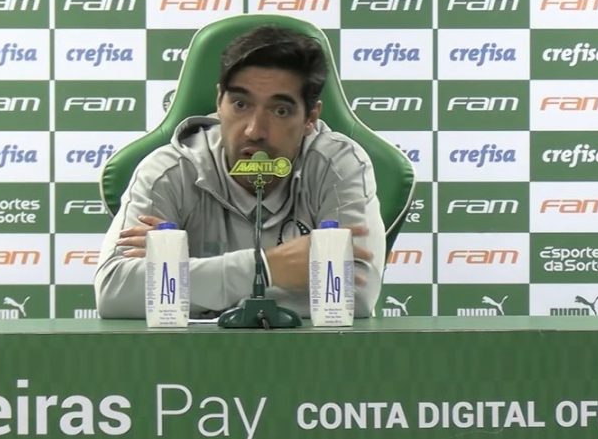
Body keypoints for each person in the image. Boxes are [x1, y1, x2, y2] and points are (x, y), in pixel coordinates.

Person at [94, 25, 386, 319]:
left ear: (310, 118)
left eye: (280, 111)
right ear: (219, 101)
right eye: (240, 104)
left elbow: (354, 296)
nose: (254, 131)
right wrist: (267, 267)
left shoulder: (339, 165)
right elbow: (114, 292)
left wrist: (180, 274)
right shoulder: (169, 170)